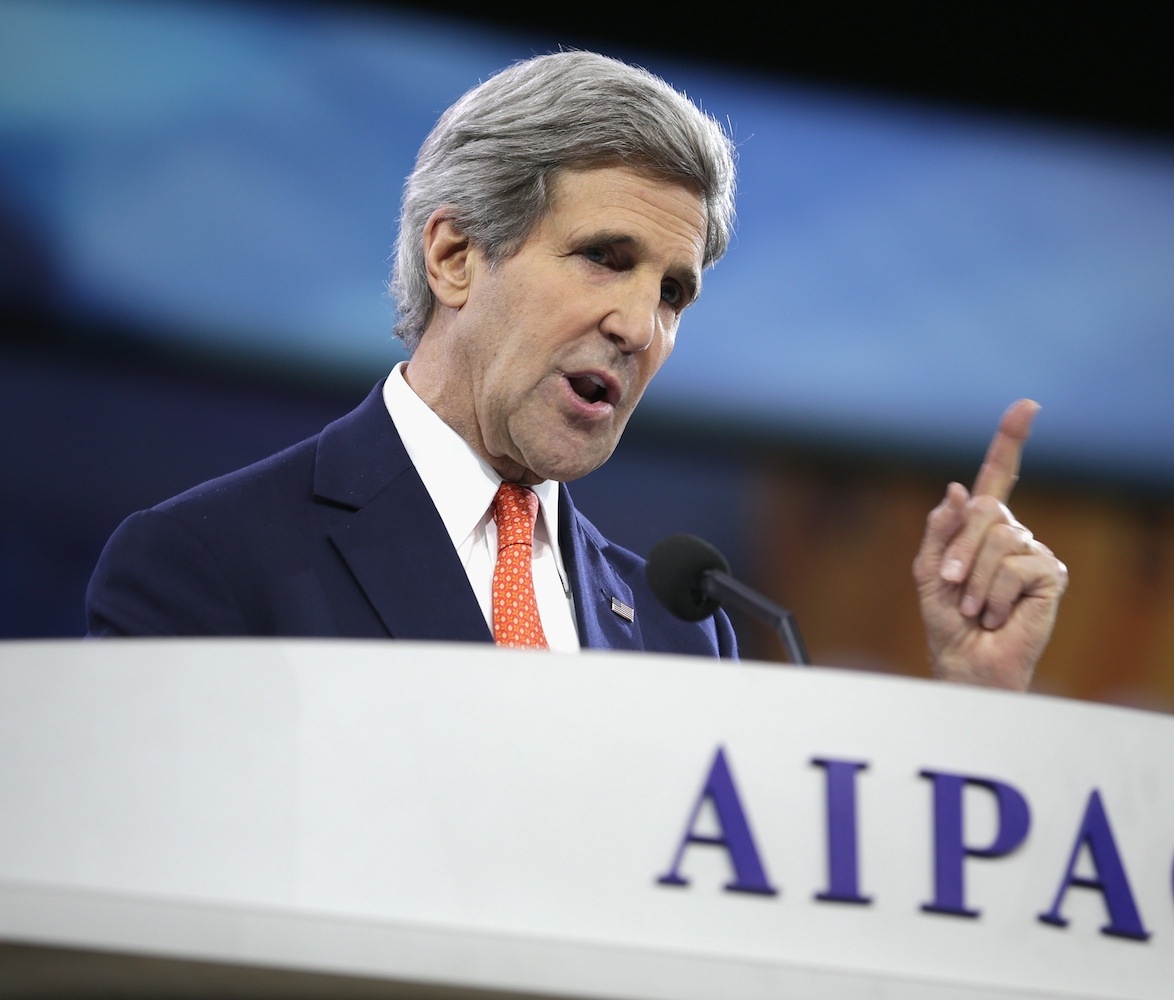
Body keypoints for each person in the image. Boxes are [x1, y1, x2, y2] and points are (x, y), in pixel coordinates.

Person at [86, 51, 1066, 690]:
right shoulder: (207, 563)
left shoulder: (688, 632)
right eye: (606, 257)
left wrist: (971, 704)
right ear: (456, 255)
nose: (640, 325)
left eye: (674, 293)